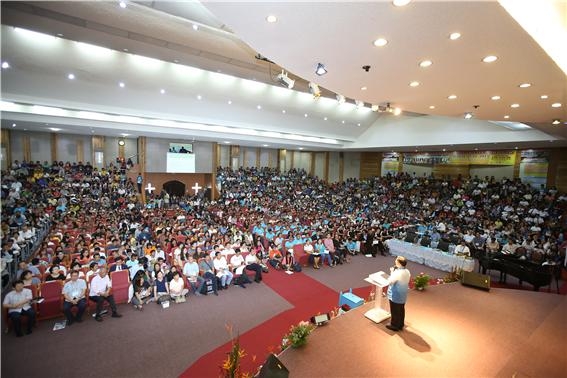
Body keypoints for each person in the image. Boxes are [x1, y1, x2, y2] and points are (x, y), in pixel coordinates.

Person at [386, 256, 411, 332]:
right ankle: (400, 324)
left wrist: (391, 272)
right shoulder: (407, 271)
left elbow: (390, 282)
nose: (395, 261)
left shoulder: (397, 272)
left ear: (399, 263)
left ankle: (394, 325)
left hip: (396, 294)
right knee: (401, 309)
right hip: (403, 294)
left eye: (396, 260)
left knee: (394, 309)